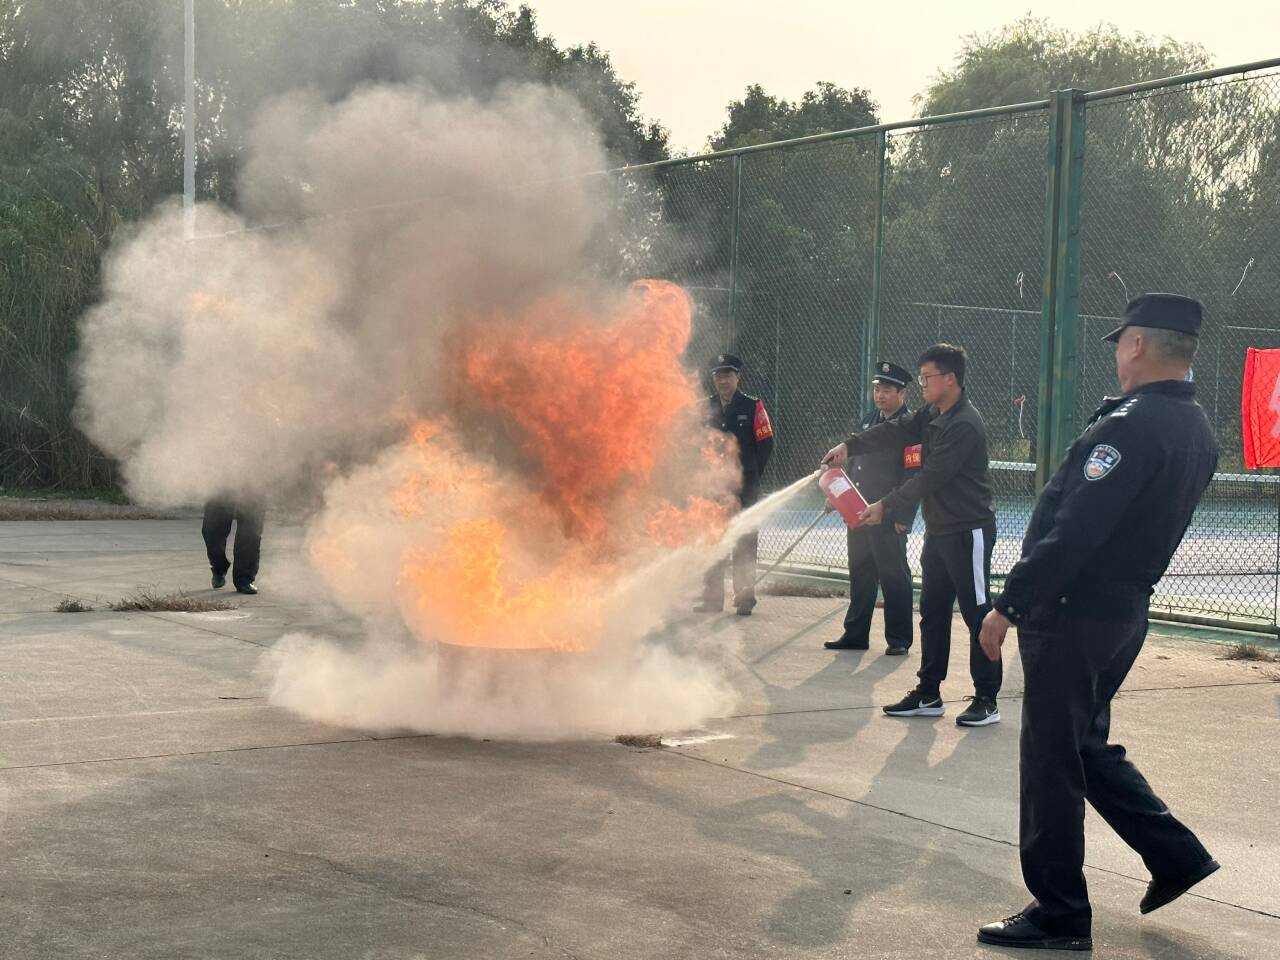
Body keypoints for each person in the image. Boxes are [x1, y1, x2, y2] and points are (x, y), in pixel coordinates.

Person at [975, 294, 1220, 951]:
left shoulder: (1131, 425)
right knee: (1082, 744)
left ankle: (1059, 913)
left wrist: (1010, 604)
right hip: (1122, 612)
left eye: (1121, 343)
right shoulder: (1195, 426)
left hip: (1073, 614)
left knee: (1050, 761)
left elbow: (1075, 529)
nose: (1118, 356)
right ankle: (1176, 855)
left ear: (1136, 344)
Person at [822, 343, 1001, 727]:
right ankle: (928, 693)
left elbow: (931, 476)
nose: (922, 385)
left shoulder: (964, 424)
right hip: (939, 531)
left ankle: (987, 699)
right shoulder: (932, 413)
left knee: (977, 615)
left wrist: (885, 506)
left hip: (968, 532)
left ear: (949, 379)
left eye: (926, 378)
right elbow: (895, 430)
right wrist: (849, 445)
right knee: (933, 612)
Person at [824, 361, 920, 655]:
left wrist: (904, 516)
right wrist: (838, 497)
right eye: (877, 389)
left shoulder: (911, 427)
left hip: (888, 514)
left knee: (893, 575)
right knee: (860, 572)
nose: (880, 395)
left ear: (902, 393)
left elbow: (913, 475)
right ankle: (855, 634)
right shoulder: (868, 421)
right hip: (858, 511)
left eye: (887, 390)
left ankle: (899, 639)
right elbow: (854, 465)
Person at [696, 353, 774, 616]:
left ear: (738, 377)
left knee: (744, 540)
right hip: (714, 486)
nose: (723, 381)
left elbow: (766, 444)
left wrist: (750, 473)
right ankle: (711, 599)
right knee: (713, 539)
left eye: (728, 375)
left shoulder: (753, 406)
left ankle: (744, 599)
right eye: (718, 376)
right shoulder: (705, 407)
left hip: (745, 486)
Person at [202, 495, 264, 595]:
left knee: (250, 531)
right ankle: (218, 566)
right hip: (221, 488)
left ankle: (244, 580)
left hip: (254, 489)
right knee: (212, 530)